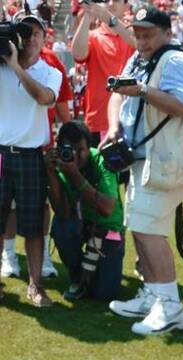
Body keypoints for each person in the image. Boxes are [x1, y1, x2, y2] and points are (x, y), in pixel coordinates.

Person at [107, 7, 183, 336]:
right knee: (139, 227)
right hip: (140, 157)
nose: (142, 40)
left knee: (149, 231)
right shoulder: (141, 58)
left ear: (166, 32)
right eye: (139, 34)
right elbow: (117, 94)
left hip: (163, 159)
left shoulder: (174, 60)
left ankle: (171, 306)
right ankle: (153, 295)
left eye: (148, 34)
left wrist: (144, 90)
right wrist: (113, 127)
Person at [0, 15, 61, 308]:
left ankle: (36, 285)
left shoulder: (50, 72)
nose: (32, 37)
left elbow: (44, 99)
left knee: (34, 225)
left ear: (45, 39)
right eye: (27, 32)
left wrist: (15, 66)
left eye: (37, 32)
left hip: (29, 155)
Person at [45, 120, 125, 301]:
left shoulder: (102, 161)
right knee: (61, 227)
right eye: (68, 148)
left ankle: (89, 274)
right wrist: (51, 175)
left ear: (90, 148)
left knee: (103, 294)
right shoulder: (59, 165)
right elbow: (62, 213)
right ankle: (78, 274)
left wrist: (75, 176)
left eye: (80, 149)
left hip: (107, 229)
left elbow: (107, 208)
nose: (74, 155)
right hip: (79, 224)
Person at [70, 0, 136, 138]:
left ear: (126, 6)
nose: (111, 4)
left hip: (131, 118)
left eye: (117, 0)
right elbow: (78, 55)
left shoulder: (134, 33)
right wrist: (88, 13)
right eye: (106, 0)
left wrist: (108, 18)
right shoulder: (93, 36)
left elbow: (135, 41)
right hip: (98, 120)